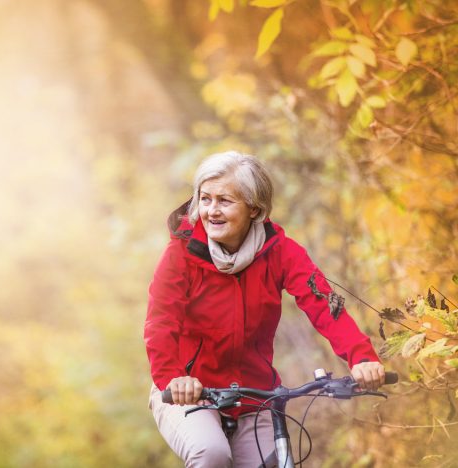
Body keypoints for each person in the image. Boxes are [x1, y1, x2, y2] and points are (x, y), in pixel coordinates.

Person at [144, 151, 384, 468]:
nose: (211, 211)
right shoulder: (181, 253)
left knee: (273, 462)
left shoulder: (281, 252)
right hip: (187, 391)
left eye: (224, 201)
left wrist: (361, 356)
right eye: (205, 199)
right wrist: (174, 378)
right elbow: (160, 324)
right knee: (212, 454)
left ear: (254, 208)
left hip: (254, 396)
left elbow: (324, 305)